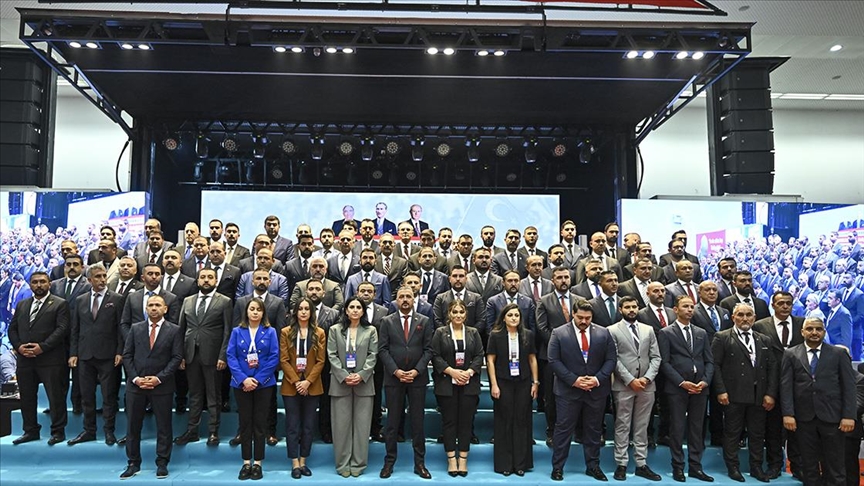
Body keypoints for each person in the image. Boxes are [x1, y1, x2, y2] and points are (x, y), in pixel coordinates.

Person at [781, 318, 856, 486]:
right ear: (802, 332)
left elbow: (849, 387)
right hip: (803, 418)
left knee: (835, 466)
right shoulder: (791, 354)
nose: (814, 332)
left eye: (818, 329)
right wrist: (788, 414)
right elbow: (786, 386)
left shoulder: (838, 354)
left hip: (833, 418)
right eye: (810, 329)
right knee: (809, 466)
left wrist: (849, 416)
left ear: (824, 332)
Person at [548, 299, 616, 482]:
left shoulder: (603, 333)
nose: (584, 321)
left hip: (596, 390)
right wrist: (574, 380)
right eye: (580, 317)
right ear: (573, 314)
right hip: (568, 391)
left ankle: (593, 466)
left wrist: (597, 379)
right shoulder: (559, 333)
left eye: (588, 318)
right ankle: (558, 467)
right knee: (563, 429)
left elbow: (611, 360)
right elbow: (553, 360)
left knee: (594, 430)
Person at [711, 303, 778, 482]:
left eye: (749, 315)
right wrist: (721, 390)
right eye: (740, 315)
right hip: (733, 394)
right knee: (733, 432)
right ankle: (733, 467)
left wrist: (770, 393)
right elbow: (715, 366)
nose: (745, 318)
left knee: (757, 433)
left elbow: (772, 368)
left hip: (759, 395)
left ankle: (756, 467)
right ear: (733, 318)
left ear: (754, 318)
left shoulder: (764, 339)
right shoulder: (722, 337)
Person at [120, 295, 183, 479]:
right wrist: (135, 378)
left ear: (165, 309)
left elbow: (176, 358)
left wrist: (158, 378)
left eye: (157, 305)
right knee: (133, 426)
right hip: (136, 386)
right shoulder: (135, 328)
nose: (154, 308)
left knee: (164, 426)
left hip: (161, 386)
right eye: (150, 305)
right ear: (146, 309)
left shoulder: (174, 330)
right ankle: (133, 463)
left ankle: (162, 462)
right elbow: (127, 355)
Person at [378, 286, 434, 480]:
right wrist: (397, 371)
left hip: (417, 379)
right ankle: (389, 462)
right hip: (394, 379)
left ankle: (420, 463)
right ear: (396, 300)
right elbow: (382, 349)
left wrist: (416, 371)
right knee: (392, 423)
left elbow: (429, 350)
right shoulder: (387, 321)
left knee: (418, 423)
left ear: (414, 299)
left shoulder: (424, 321)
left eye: (408, 296)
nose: (404, 299)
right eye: (401, 296)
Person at [8, 272, 70, 446]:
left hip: (50, 359)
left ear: (49, 284)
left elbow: (62, 329)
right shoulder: (22, 304)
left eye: (42, 281)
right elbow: (12, 329)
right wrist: (19, 347)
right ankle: (30, 430)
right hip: (25, 359)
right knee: (27, 397)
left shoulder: (60, 304)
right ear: (30, 285)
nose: (39, 285)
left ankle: (58, 432)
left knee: (55, 397)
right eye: (35, 282)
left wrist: (42, 347)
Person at [68, 263, 125, 446]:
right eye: (98, 277)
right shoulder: (81, 300)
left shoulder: (116, 299)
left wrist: (120, 351)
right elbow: (75, 329)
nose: (102, 280)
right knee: (87, 396)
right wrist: (73, 353)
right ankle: (89, 430)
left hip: (108, 354)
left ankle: (109, 431)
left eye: (104, 276)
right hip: (85, 355)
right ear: (89, 280)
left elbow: (121, 328)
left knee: (109, 396)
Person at [658, 296, 714, 483]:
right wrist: (681, 382)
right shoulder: (666, 332)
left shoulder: (701, 332)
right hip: (677, 388)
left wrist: (705, 381)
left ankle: (696, 467)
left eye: (692, 307)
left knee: (697, 429)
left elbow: (709, 361)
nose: (690, 309)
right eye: (686, 306)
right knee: (677, 428)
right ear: (675, 309)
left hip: (700, 388)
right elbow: (665, 363)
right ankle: (678, 467)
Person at [175, 268, 233, 446]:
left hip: (213, 355)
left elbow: (227, 331)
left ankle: (213, 431)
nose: (206, 280)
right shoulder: (188, 301)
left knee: (213, 395)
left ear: (216, 281)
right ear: (198, 281)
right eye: (203, 277)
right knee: (194, 394)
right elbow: (181, 329)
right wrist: (180, 355)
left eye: (210, 277)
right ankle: (192, 431)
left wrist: (223, 355)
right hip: (191, 354)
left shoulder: (225, 301)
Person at [607, 296, 662, 481]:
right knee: (622, 425)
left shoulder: (648, 329)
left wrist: (647, 378)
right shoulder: (612, 330)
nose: (631, 310)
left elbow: (656, 357)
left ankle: (641, 463)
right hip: (624, 385)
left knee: (642, 426)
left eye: (634, 307)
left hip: (647, 385)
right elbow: (613, 359)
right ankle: (621, 463)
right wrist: (630, 380)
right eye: (627, 307)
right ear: (620, 309)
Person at [752, 291, 805, 479]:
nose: (785, 306)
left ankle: (797, 467)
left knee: (797, 428)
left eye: (788, 303)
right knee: (773, 428)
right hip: (770, 384)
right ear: (773, 305)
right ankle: (775, 465)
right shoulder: (760, 325)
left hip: (798, 385)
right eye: (781, 303)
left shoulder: (802, 324)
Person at [226, 298, 280, 481]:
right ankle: (246, 462)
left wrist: (257, 379)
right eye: (252, 309)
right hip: (241, 384)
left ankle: (258, 463)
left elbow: (274, 357)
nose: (255, 312)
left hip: (263, 383)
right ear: (246, 312)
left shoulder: (270, 331)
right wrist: (244, 379)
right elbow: (231, 356)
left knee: (260, 423)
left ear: (263, 312)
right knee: (245, 423)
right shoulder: (237, 331)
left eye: (258, 309)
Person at [431, 300, 484, 477]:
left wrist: (468, 372)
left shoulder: (473, 332)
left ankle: (463, 459)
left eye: (461, 312)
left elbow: (479, 355)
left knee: (466, 422)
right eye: (455, 312)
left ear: (466, 314)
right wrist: (452, 372)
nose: (458, 315)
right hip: (447, 384)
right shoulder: (440, 332)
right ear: (449, 314)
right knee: (449, 422)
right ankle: (451, 459)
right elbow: (435, 356)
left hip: (469, 384)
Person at [327, 296, 378, 477]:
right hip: (340, 383)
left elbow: (373, 355)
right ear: (346, 311)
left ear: (363, 311)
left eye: (358, 307)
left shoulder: (371, 330)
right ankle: (342, 464)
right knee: (341, 427)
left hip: (364, 384)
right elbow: (331, 355)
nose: (355, 310)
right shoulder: (335, 330)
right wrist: (344, 375)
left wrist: (361, 374)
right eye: (352, 307)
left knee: (362, 427)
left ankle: (358, 464)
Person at [486, 303, 538, 476]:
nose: (514, 318)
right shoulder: (495, 335)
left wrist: (535, 382)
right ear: (504, 318)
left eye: (517, 315)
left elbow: (532, 359)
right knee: (504, 421)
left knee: (522, 420)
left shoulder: (528, 335)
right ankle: (505, 464)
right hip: (503, 382)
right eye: (510, 315)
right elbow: (490, 361)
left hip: (523, 382)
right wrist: (494, 384)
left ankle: (521, 464)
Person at [280, 297, 326, 479]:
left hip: (312, 386)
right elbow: (284, 360)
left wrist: (307, 382)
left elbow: (321, 361)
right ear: (295, 312)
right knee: (293, 426)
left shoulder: (319, 333)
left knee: (308, 426)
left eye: (307, 309)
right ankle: (294, 463)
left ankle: (303, 461)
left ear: (311, 312)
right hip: (291, 386)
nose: (304, 312)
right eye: (301, 309)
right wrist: (296, 381)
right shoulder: (286, 332)